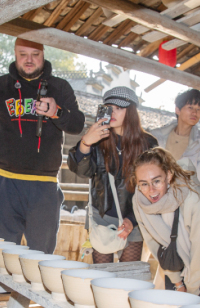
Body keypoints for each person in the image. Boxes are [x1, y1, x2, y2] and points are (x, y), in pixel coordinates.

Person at [0, 38, 85, 254]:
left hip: (44, 185)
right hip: (5, 181)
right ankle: (5, 290)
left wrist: (57, 112)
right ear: (15, 54)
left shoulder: (60, 87)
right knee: (1, 255)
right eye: (23, 54)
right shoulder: (0, 86)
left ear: (44, 54)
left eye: (35, 54)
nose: (29, 60)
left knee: (41, 258)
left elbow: (78, 124)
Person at [67, 87, 156, 264]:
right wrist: (86, 143)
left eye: (119, 108)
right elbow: (81, 170)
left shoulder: (148, 143)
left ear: (130, 111)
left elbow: (152, 188)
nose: (113, 112)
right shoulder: (97, 138)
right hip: (102, 214)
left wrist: (132, 219)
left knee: (128, 277)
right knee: (102, 278)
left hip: (134, 215)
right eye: (109, 107)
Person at [131, 147, 200, 301]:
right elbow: (154, 243)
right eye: (144, 184)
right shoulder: (139, 202)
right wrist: (177, 282)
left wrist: (192, 290)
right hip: (173, 247)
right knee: (173, 303)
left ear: (169, 175)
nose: (151, 191)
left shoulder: (193, 198)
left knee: (194, 306)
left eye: (156, 181)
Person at [150, 89, 200, 193]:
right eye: (190, 107)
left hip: (185, 205)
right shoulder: (156, 138)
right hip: (156, 201)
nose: (195, 112)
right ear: (177, 110)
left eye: (198, 109)